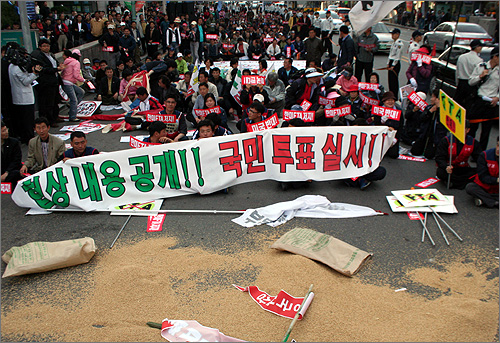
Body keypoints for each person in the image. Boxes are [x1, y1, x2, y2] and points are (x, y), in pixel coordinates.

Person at [468, 46, 499, 151]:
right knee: (473, 128)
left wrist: (497, 98)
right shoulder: (481, 66)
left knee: (486, 131)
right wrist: (480, 76)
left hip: (491, 102)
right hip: (479, 100)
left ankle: (480, 153)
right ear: (495, 57)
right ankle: (470, 149)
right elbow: (471, 81)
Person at [435, 121, 481, 189]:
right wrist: (446, 166)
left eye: (462, 129)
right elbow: (439, 157)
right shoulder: (447, 140)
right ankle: (462, 183)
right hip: (449, 168)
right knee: (441, 172)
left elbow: (479, 158)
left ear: (467, 130)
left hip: (463, 167)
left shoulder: (473, 142)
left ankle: (455, 183)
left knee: (478, 173)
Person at [31, 38, 63, 127]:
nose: (46, 48)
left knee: (55, 101)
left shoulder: (51, 55)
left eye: (48, 46)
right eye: (44, 46)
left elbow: (55, 64)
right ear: (40, 47)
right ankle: (49, 120)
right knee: (48, 103)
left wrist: (59, 66)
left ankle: (55, 116)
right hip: (46, 82)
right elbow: (43, 69)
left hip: (55, 81)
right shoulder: (39, 56)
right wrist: (56, 69)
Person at [466, 136, 499, 208]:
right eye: (497, 145)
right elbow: (483, 177)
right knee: (470, 188)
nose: (498, 149)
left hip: (497, 190)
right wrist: (497, 180)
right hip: (485, 186)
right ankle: (495, 202)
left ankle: (484, 200)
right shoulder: (485, 155)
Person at [455, 39, 484, 109]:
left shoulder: (461, 57)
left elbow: (457, 72)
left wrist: (457, 83)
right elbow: (477, 74)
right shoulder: (479, 60)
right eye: (480, 46)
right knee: (468, 105)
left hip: (461, 83)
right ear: (477, 47)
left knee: (457, 104)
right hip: (471, 85)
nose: (481, 48)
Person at [61, 49, 85, 122]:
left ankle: (72, 109)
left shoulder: (67, 61)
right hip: (68, 82)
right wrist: (83, 80)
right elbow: (76, 75)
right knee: (74, 100)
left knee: (81, 92)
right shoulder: (76, 62)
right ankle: (72, 116)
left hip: (66, 81)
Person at [1, 121, 23, 188]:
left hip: (11, 170)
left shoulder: (14, 142)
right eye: (3, 131)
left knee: (16, 174)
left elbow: (17, 160)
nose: (7, 132)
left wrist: (7, 173)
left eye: (6, 129)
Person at [387, 28, 403, 99]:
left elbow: (397, 55)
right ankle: (391, 93)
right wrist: (388, 63)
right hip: (391, 62)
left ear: (397, 34)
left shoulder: (400, 43)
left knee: (394, 80)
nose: (392, 35)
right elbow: (390, 54)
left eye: (393, 34)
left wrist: (393, 65)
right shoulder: (393, 43)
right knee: (390, 80)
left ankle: (394, 95)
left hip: (395, 63)